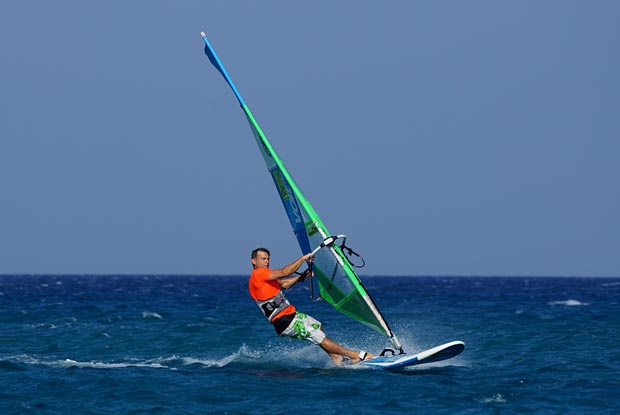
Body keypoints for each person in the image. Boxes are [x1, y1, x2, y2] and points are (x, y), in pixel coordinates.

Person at [248, 247, 373, 365]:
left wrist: (302, 276)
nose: (267, 261)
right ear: (254, 261)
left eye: (268, 259)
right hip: (284, 321)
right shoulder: (258, 274)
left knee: (317, 326)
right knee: (319, 337)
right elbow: (284, 272)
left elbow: (284, 284)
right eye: (263, 259)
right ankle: (355, 355)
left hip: (292, 315)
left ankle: (336, 357)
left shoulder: (266, 277)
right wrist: (303, 258)